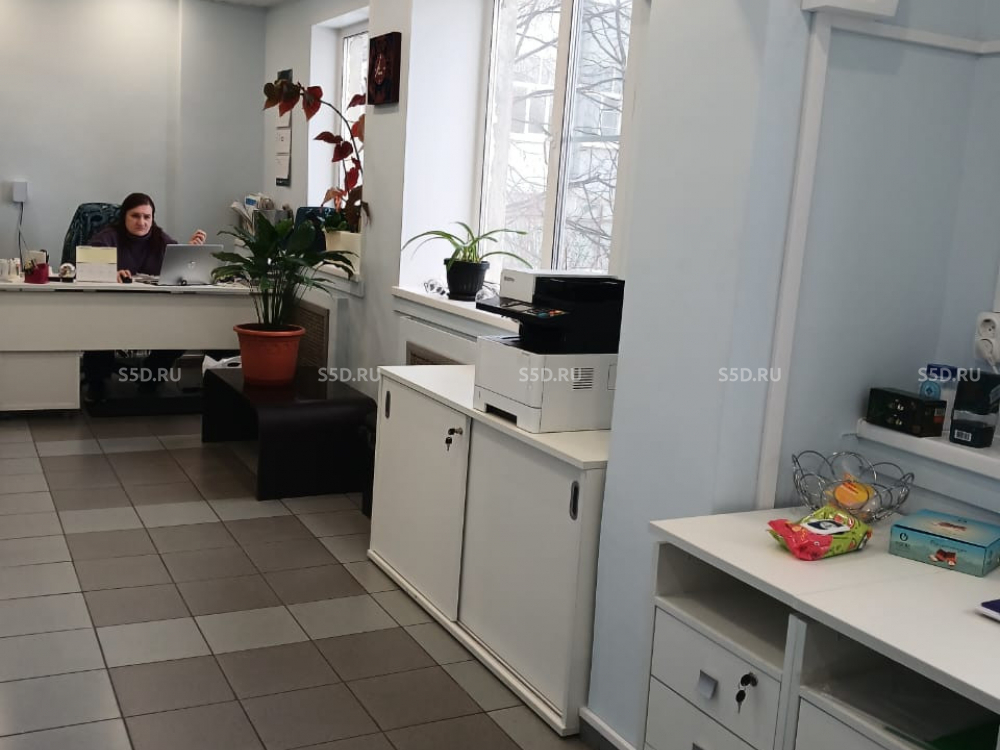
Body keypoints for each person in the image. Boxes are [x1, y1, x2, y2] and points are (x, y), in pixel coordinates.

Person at [82, 192, 208, 401]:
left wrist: (189, 254)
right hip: (112, 308)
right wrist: (110, 274)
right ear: (124, 216)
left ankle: (151, 377)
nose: (141, 222)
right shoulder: (107, 237)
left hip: (153, 309)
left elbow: (180, 274)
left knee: (182, 330)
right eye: (135, 216)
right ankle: (97, 382)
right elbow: (87, 268)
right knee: (99, 327)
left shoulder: (161, 239)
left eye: (147, 217)